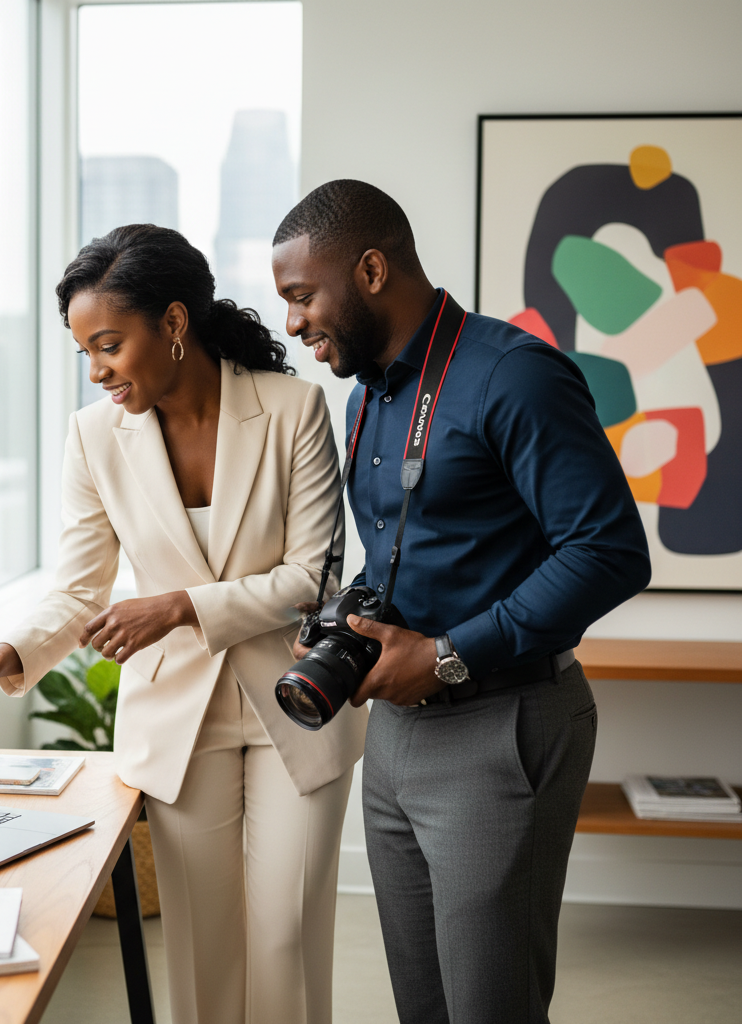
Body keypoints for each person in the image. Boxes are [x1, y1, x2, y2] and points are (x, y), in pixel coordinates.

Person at [0, 224, 366, 1024]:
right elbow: (78, 592)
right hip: (176, 721)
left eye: (107, 345)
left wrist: (178, 604)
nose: (96, 370)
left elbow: (311, 580)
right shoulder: (92, 436)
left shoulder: (293, 409)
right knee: (202, 944)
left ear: (173, 324)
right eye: (84, 352)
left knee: (285, 935)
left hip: (297, 703)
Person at [271, 180, 651, 1024]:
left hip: (500, 723)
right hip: (397, 732)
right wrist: (351, 629)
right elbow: (405, 550)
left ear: (370, 270)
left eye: (301, 296)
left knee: (491, 1007)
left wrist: (448, 654)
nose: (293, 322)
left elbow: (611, 552)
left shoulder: (514, 374)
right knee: (424, 1005)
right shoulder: (367, 394)